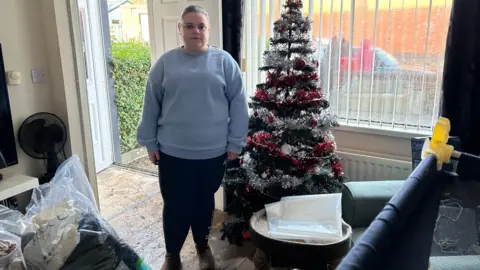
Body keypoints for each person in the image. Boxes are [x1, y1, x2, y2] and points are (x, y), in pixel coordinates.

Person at [136, 4, 249, 270]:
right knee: (174, 205)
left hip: (212, 153)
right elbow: (151, 103)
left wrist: (236, 142)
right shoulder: (165, 63)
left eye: (200, 26)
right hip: (172, 152)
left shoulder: (224, 62)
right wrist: (149, 142)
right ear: (180, 30)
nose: (195, 31)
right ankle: (171, 254)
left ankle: (202, 248)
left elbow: (238, 104)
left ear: (208, 30)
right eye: (189, 26)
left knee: (202, 203)